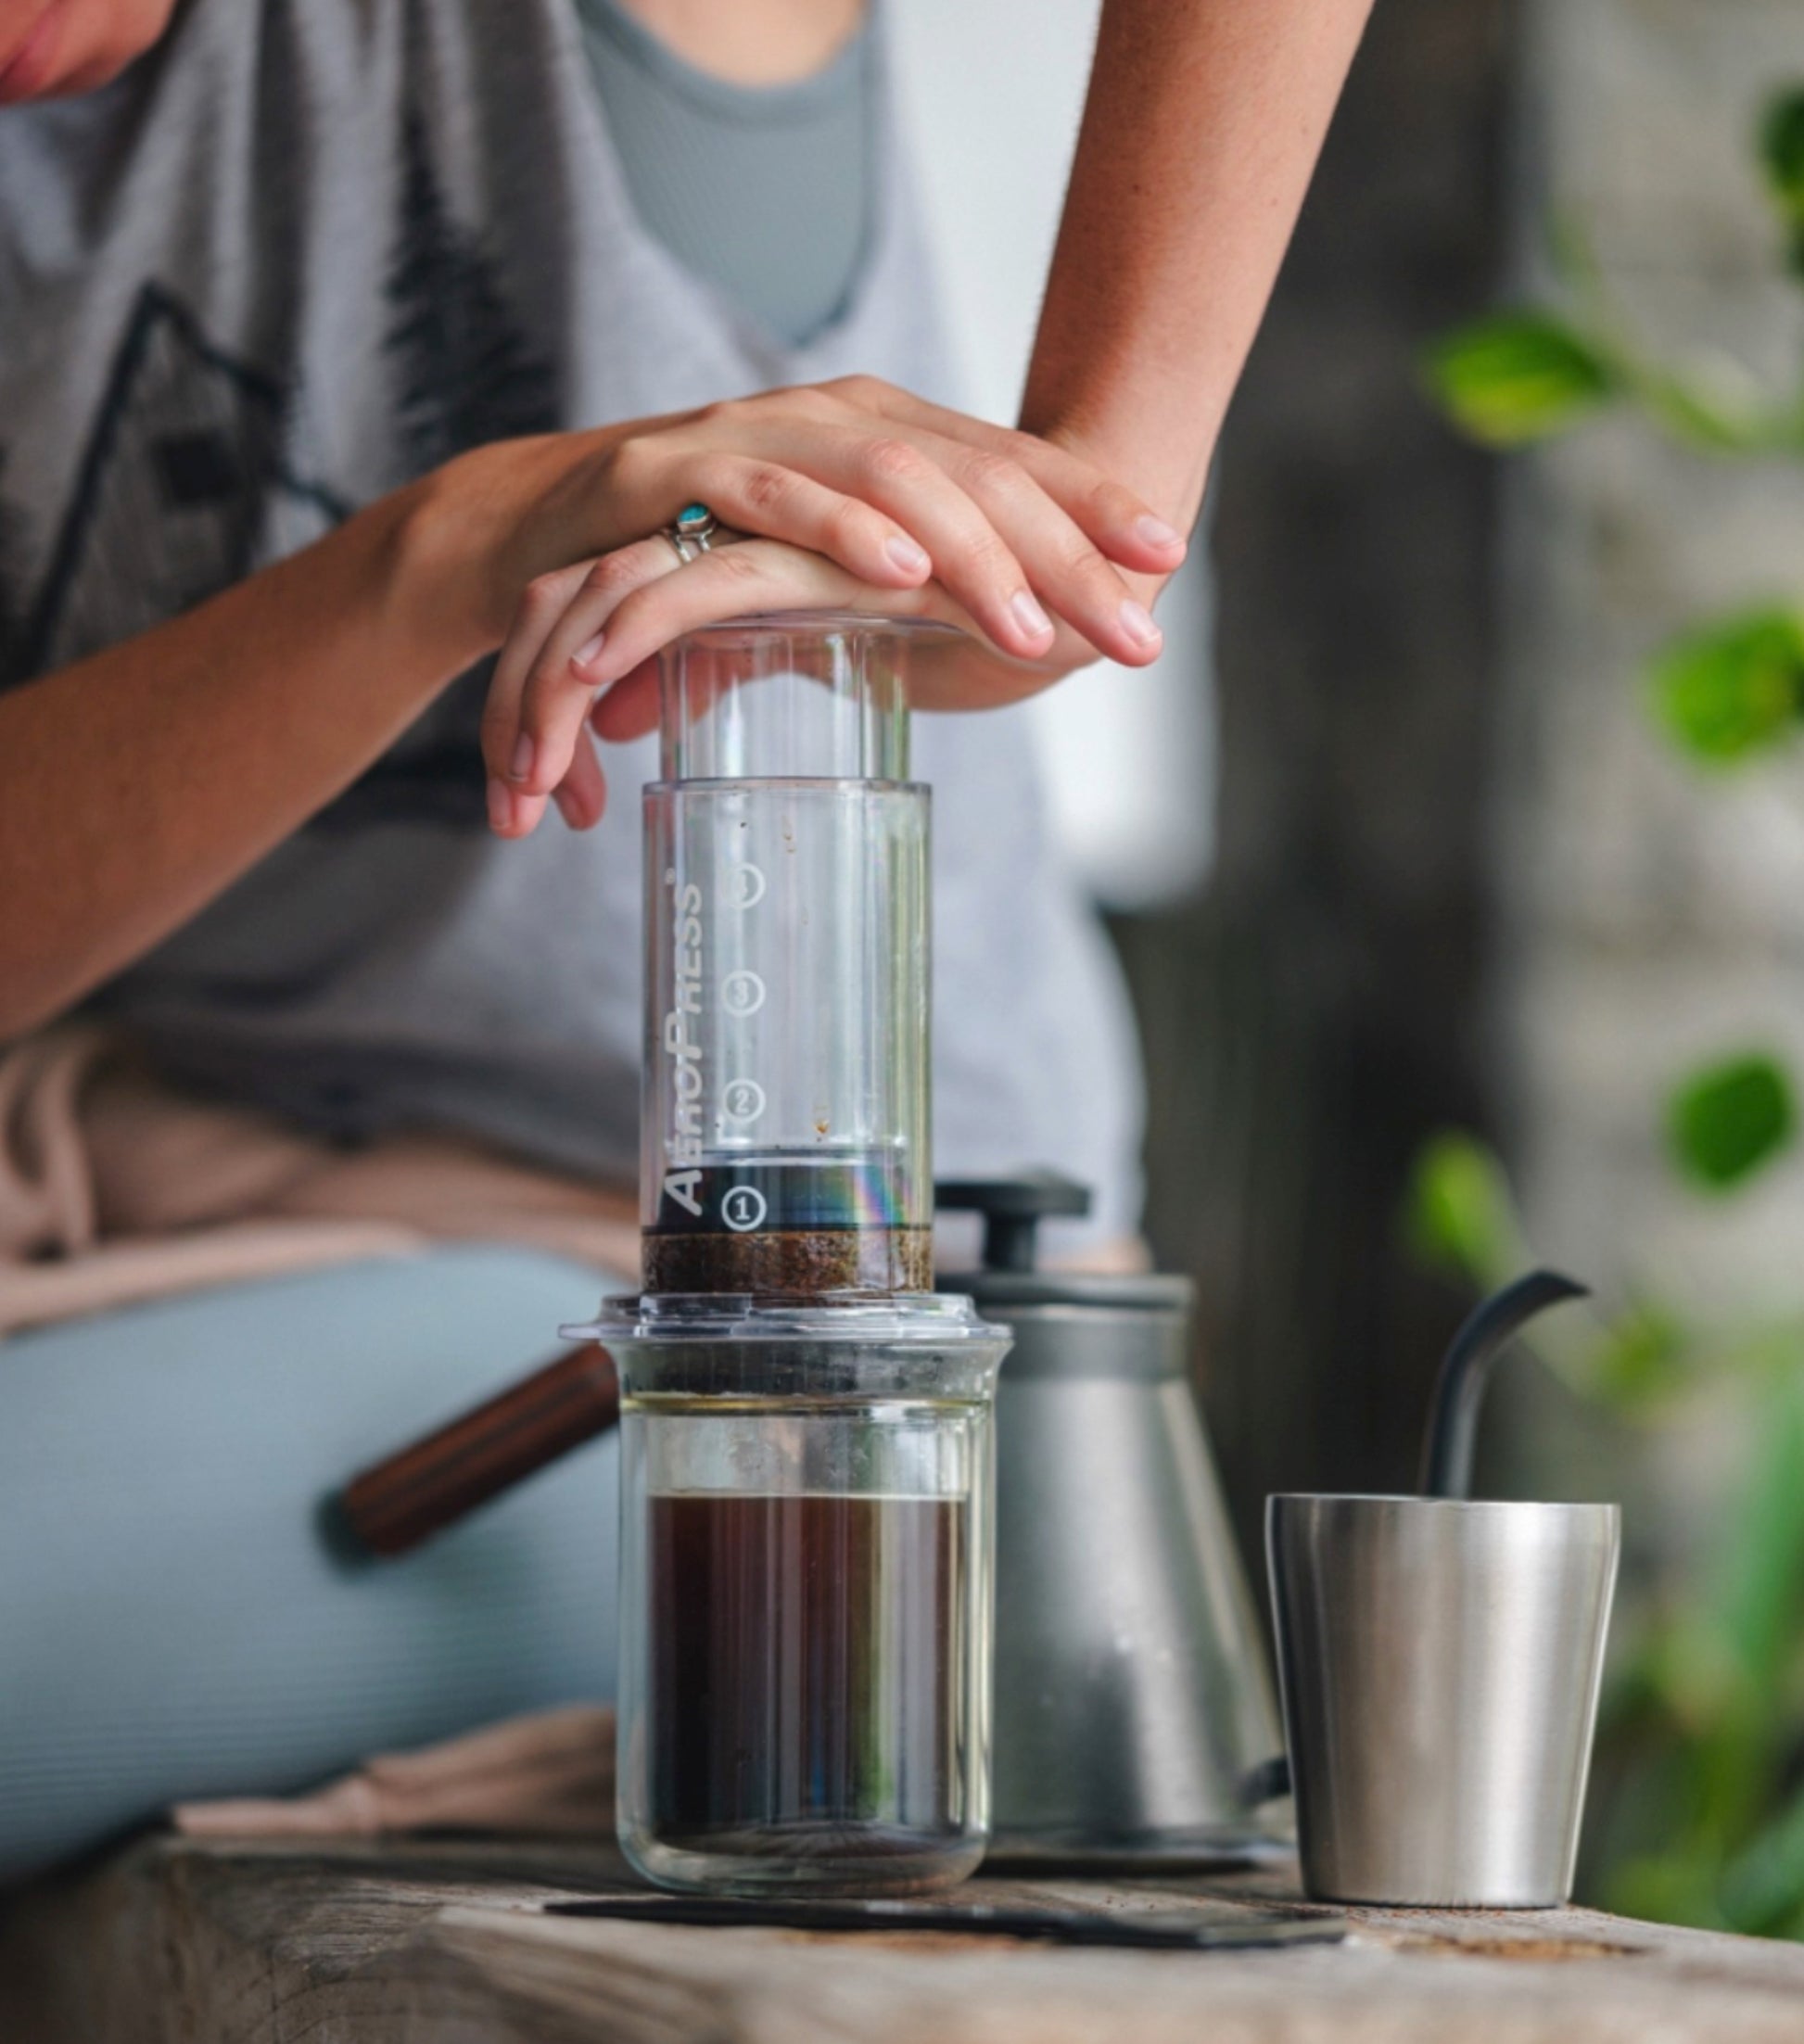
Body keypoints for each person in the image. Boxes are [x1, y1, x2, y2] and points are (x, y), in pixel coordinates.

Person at [0, 0, 1374, 1879]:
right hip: (150, 1202)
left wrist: (1113, 459)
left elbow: (1091, 533)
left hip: (772, 1329)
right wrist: (447, 551)